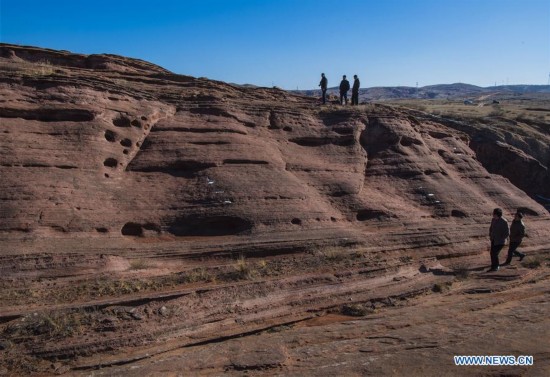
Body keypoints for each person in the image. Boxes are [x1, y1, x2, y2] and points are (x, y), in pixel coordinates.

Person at [488, 207, 509, 271]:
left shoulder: (504, 221)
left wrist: (500, 237)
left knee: (495, 253)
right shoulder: (493, 219)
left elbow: (507, 233)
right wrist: (490, 234)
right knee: (492, 253)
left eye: (494, 214)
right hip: (494, 239)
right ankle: (493, 266)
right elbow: (491, 228)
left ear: (497, 214)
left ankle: (496, 266)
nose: (493, 215)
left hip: (500, 241)